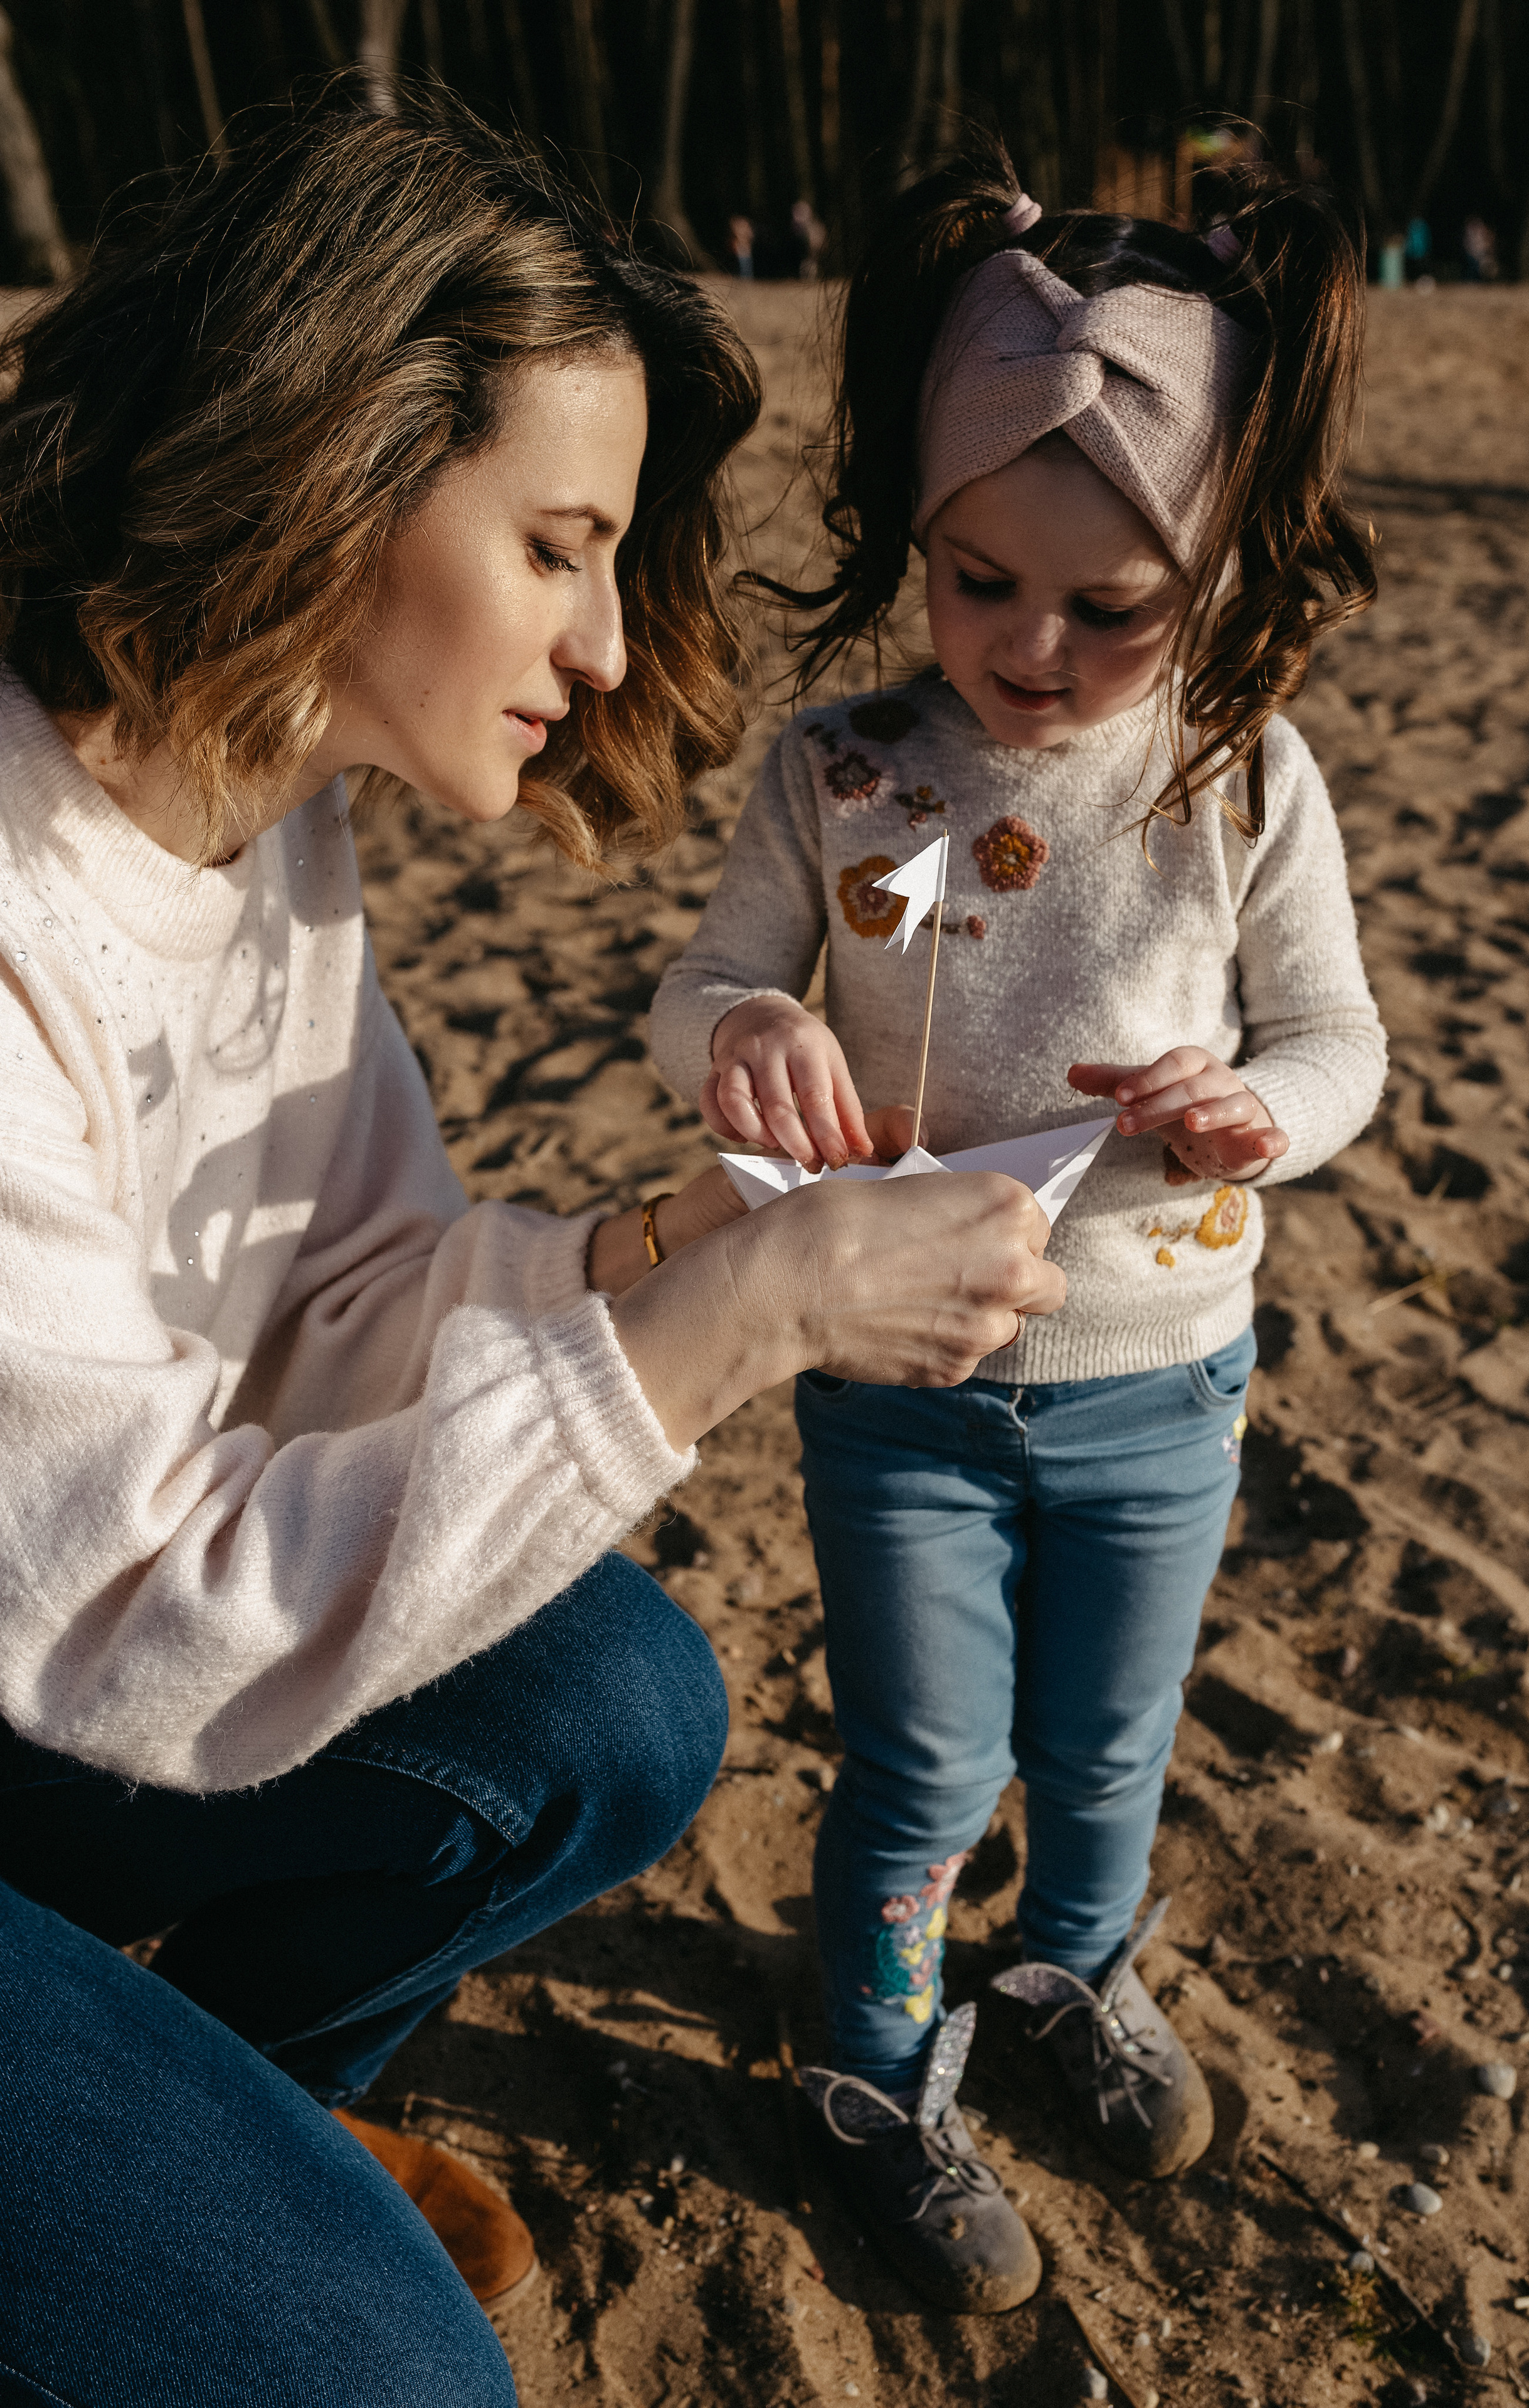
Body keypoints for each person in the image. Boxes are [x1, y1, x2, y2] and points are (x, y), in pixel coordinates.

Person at [0, 94, 1065, 2405]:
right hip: (78, 1646)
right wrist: (725, 1325)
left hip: (47, 1666)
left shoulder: (245, 809)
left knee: (609, 1703)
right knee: (394, 2381)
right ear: (333, 465)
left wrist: (661, 1248)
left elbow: (351, 1305)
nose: (600, 642)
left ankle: (239, 2141)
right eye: (562, 545)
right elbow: (144, 1615)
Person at [650, 149, 1387, 2314]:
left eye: (1105, 609)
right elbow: (697, 985)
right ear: (917, 533)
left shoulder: (1247, 779)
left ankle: (1070, 1977)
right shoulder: (845, 771)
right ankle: (879, 2061)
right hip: (903, 1388)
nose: (1028, 650)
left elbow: (1340, 1040)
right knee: (923, 1764)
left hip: (1169, 1377)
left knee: (1106, 1748)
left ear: (1219, 568)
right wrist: (756, 1023)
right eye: (976, 582)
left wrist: (1265, 1114)